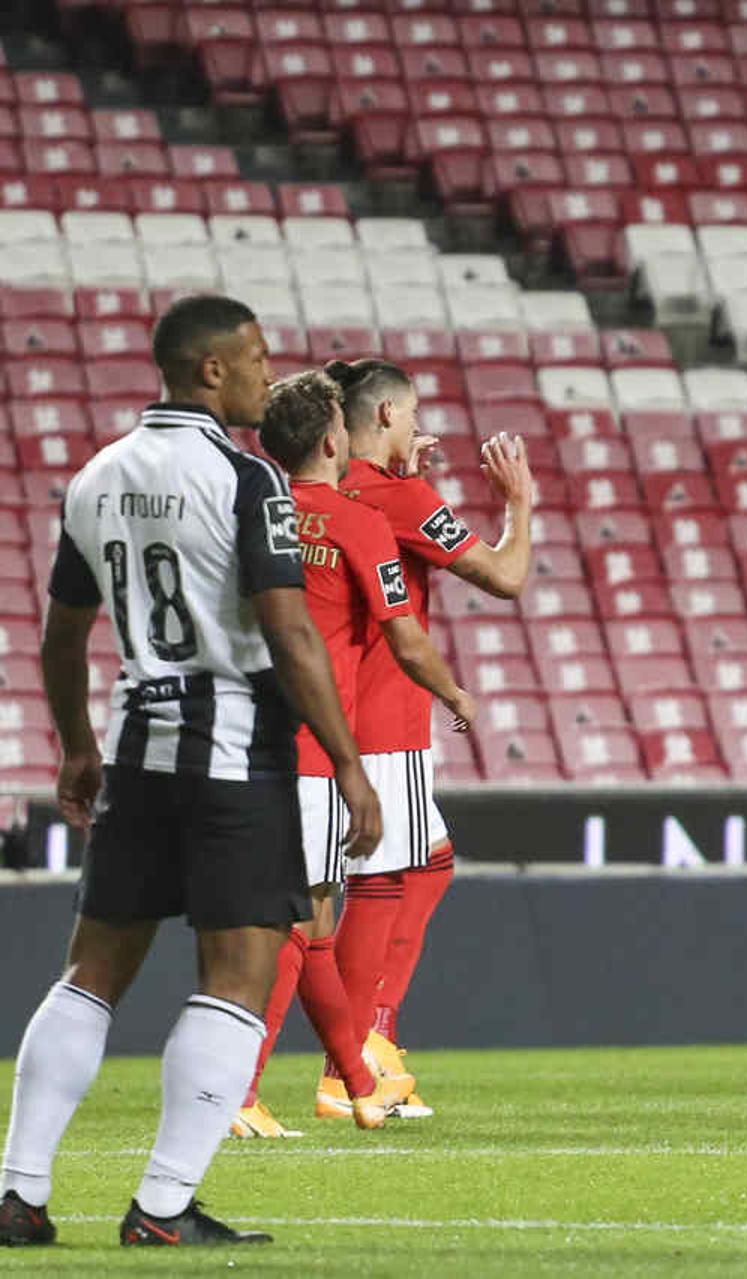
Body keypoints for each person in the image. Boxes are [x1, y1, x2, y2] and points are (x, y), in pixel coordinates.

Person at [0, 295, 379, 1248]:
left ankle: (18, 1192)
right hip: (234, 753)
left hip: (136, 749)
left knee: (90, 972)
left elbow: (60, 632)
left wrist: (79, 746)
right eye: (253, 357)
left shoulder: (97, 476)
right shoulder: (248, 480)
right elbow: (289, 631)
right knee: (241, 974)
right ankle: (164, 1206)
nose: (265, 370)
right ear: (209, 370)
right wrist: (346, 761)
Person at [235, 371, 480, 1139]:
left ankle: (354, 1077)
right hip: (316, 746)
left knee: (301, 922)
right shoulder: (355, 522)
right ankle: (253, 1087)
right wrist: (457, 695)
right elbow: (404, 636)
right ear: (336, 438)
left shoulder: (255, 512)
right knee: (302, 924)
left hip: (247, 738)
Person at [314, 358, 533, 1121]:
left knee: (429, 861)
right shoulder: (402, 494)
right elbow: (506, 576)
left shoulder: (323, 488)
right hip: (389, 718)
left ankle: (374, 1030)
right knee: (380, 883)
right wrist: (520, 504)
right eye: (409, 416)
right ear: (382, 418)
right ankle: (351, 1063)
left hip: (336, 713)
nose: (418, 429)